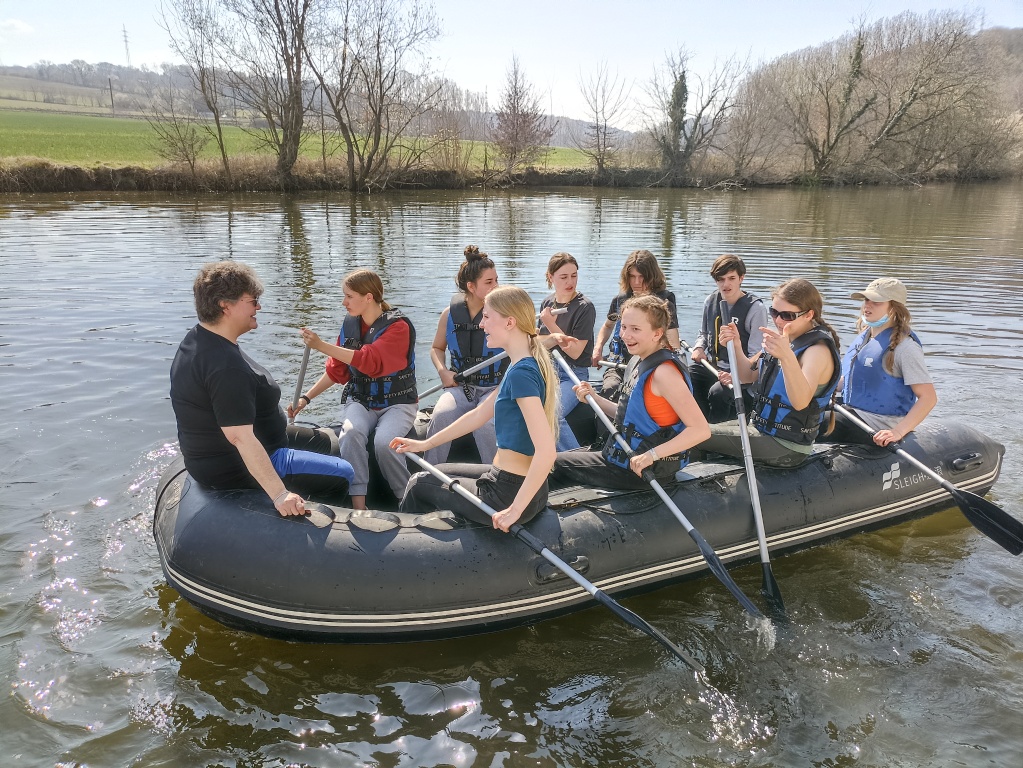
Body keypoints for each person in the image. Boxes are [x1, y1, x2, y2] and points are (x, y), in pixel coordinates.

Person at [170, 261, 354, 517]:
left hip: (261, 441)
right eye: (252, 300)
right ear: (225, 305)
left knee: (329, 444)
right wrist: (280, 494)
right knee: (344, 473)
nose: (258, 307)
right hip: (234, 464)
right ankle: (326, 533)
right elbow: (239, 437)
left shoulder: (200, 339)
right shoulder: (224, 366)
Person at [391, 286, 558, 532]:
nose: (481, 324)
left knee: (418, 483)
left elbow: (547, 452)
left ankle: (402, 548)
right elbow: (478, 415)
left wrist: (514, 510)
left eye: (487, 317)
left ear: (510, 322)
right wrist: (425, 444)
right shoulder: (521, 364)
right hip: (507, 480)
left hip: (507, 493)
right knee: (435, 471)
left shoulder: (521, 373)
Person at [552, 295, 711, 490]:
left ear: (657, 333)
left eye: (635, 329)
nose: (625, 335)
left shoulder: (664, 373)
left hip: (642, 470)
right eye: (624, 327)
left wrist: (650, 456)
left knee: (552, 465)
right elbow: (630, 415)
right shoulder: (639, 361)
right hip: (622, 456)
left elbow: (700, 430)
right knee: (556, 458)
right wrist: (595, 398)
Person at [289, 269, 417, 510]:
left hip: (398, 403)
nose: (343, 302)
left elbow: (369, 361)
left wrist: (321, 345)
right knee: (350, 434)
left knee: (385, 442)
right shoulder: (350, 326)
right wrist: (306, 398)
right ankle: (359, 504)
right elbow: (337, 370)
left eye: (349, 296)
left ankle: (406, 499)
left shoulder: (398, 328)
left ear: (368, 297)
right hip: (361, 400)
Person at [699, 278, 841, 467]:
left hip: (786, 444)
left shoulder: (817, 351)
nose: (778, 320)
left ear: (809, 315)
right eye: (774, 312)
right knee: (693, 430)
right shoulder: (783, 338)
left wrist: (787, 357)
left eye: (787, 315)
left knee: (696, 436)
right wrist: (737, 345)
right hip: (760, 428)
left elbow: (800, 402)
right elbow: (746, 376)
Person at [830, 277, 937, 447]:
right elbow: (854, 382)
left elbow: (928, 398)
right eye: (866, 299)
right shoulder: (865, 337)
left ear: (895, 308)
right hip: (854, 413)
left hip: (880, 424)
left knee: (813, 423)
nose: (867, 305)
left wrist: (898, 432)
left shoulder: (906, 348)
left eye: (876, 302)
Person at [424, 245, 504, 465]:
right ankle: (430, 474)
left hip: (495, 388)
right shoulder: (449, 315)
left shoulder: (505, 314)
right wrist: (443, 372)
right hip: (462, 387)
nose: (496, 286)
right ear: (471, 286)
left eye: (496, 280)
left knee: (485, 424)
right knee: (441, 415)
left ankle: (496, 479)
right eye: (489, 282)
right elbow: (436, 348)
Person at [592, 249, 680, 401]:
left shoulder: (664, 304)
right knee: (609, 390)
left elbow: (673, 344)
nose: (637, 283)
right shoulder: (620, 300)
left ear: (652, 277)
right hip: (619, 364)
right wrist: (598, 348)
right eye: (632, 277)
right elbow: (607, 326)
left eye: (642, 277)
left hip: (650, 365)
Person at [689, 254, 768, 423]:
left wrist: (737, 375)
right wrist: (699, 347)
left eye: (731, 278)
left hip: (741, 373)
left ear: (741, 278)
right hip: (713, 366)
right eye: (721, 279)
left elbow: (757, 354)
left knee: (718, 393)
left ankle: (720, 433)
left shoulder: (756, 309)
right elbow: (703, 333)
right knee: (685, 378)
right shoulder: (710, 301)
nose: (726, 284)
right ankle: (698, 424)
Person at [538, 251, 596, 451]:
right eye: (563, 277)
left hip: (573, 375)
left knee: (551, 413)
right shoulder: (548, 303)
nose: (570, 281)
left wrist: (550, 325)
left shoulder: (584, 307)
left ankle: (576, 458)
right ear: (550, 277)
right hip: (548, 372)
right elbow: (539, 343)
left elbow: (575, 353)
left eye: (574, 275)